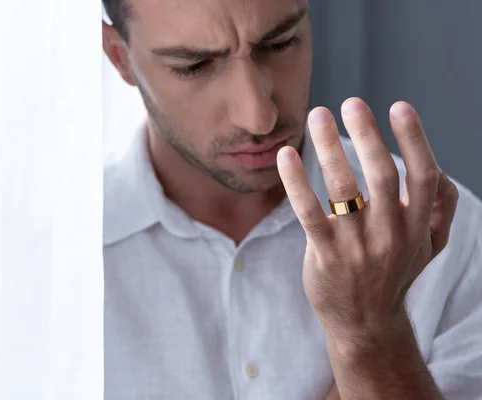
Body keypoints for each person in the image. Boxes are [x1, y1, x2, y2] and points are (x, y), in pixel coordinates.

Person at [101, 0, 482, 398]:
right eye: (193, 66)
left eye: (280, 43)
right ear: (119, 57)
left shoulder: (454, 233)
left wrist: (371, 335)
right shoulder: (56, 262)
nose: (258, 117)